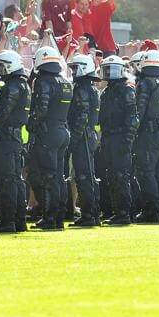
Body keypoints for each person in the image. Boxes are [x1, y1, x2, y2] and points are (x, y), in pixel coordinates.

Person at [0, 50, 31, 232]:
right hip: (15, 137)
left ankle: (8, 220)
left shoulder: (11, 86)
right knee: (15, 179)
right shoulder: (22, 85)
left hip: (6, 138)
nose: (0, 70)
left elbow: (0, 117)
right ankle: (18, 220)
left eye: (2, 66)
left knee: (7, 180)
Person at [28, 46, 72, 230]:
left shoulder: (43, 81)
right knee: (58, 177)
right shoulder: (65, 81)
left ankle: (50, 217)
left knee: (47, 176)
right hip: (62, 130)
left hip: (48, 133)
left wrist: (31, 123)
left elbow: (41, 109)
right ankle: (59, 216)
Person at [134, 50, 159, 223]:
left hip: (149, 134)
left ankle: (151, 211)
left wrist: (132, 131)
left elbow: (140, 111)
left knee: (147, 172)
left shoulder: (145, 84)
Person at [97, 55, 139, 226]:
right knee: (112, 176)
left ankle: (124, 213)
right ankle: (117, 211)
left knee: (121, 176)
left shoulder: (126, 89)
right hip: (109, 137)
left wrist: (127, 140)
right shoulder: (107, 91)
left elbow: (133, 118)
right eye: (106, 69)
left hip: (120, 138)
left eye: (112, 69)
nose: (109, 73)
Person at [67, 54, 100, 227]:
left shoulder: (82, 89)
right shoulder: (91, 88)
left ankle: (89, 214)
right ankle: (91, 213)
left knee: (84, 176)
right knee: (87, 175)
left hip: (84, 138)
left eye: (75, 68)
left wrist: (73, 139)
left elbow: (81, 117)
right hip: (89, 135)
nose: (73, 72)